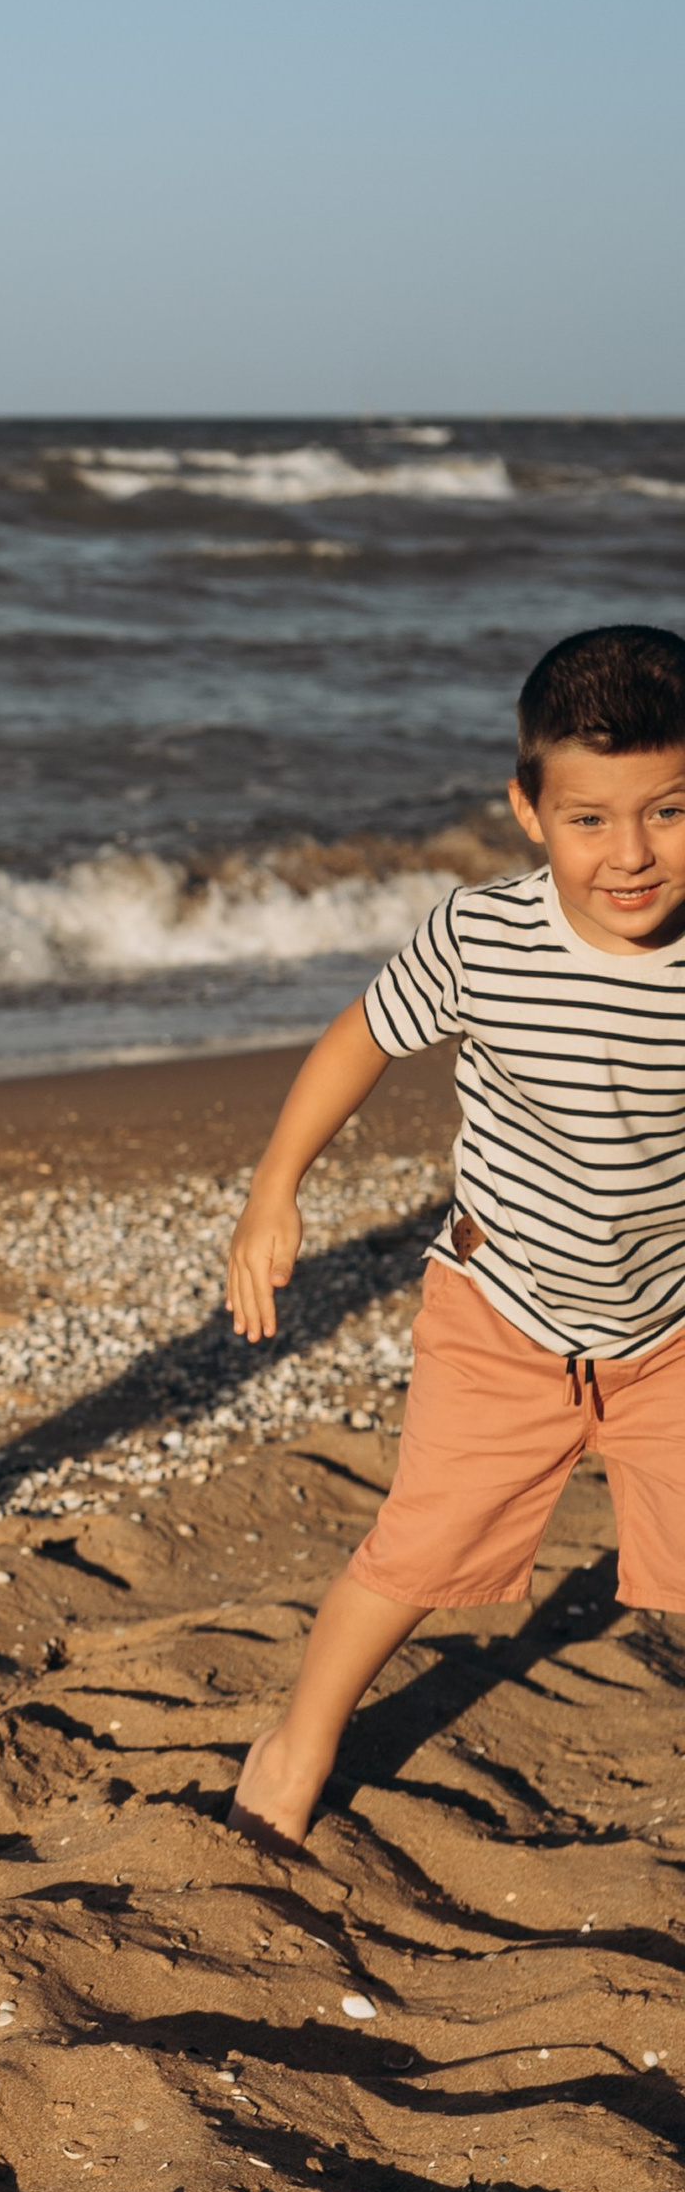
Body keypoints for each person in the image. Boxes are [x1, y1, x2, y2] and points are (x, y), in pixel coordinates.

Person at [223, 623, 685, 1853]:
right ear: (527, 811)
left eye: (669, 811)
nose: (630, 854)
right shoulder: (482, 939)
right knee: (417, 1548)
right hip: (502, 1312)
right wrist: (277, 1187)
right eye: (589, 818)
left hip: (668, 1330)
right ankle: (299, 1742)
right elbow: (359, 1038)